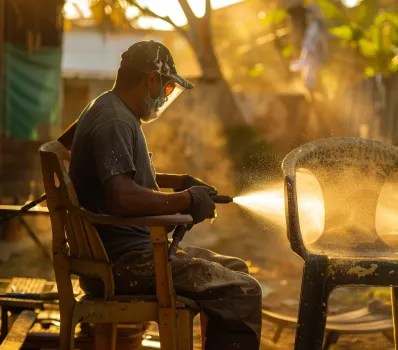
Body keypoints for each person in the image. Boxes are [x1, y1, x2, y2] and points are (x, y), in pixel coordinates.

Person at [60, 40, 262, 349]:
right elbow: (121, 197)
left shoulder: (109, 108)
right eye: (166, 88)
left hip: (126, 256)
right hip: (124, 265)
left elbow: (105, 170)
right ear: (151, 78)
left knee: (235, 270)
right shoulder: (115, 121)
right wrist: (186, 200)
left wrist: (180, 183)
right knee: (243, 290)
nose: (164, 97)